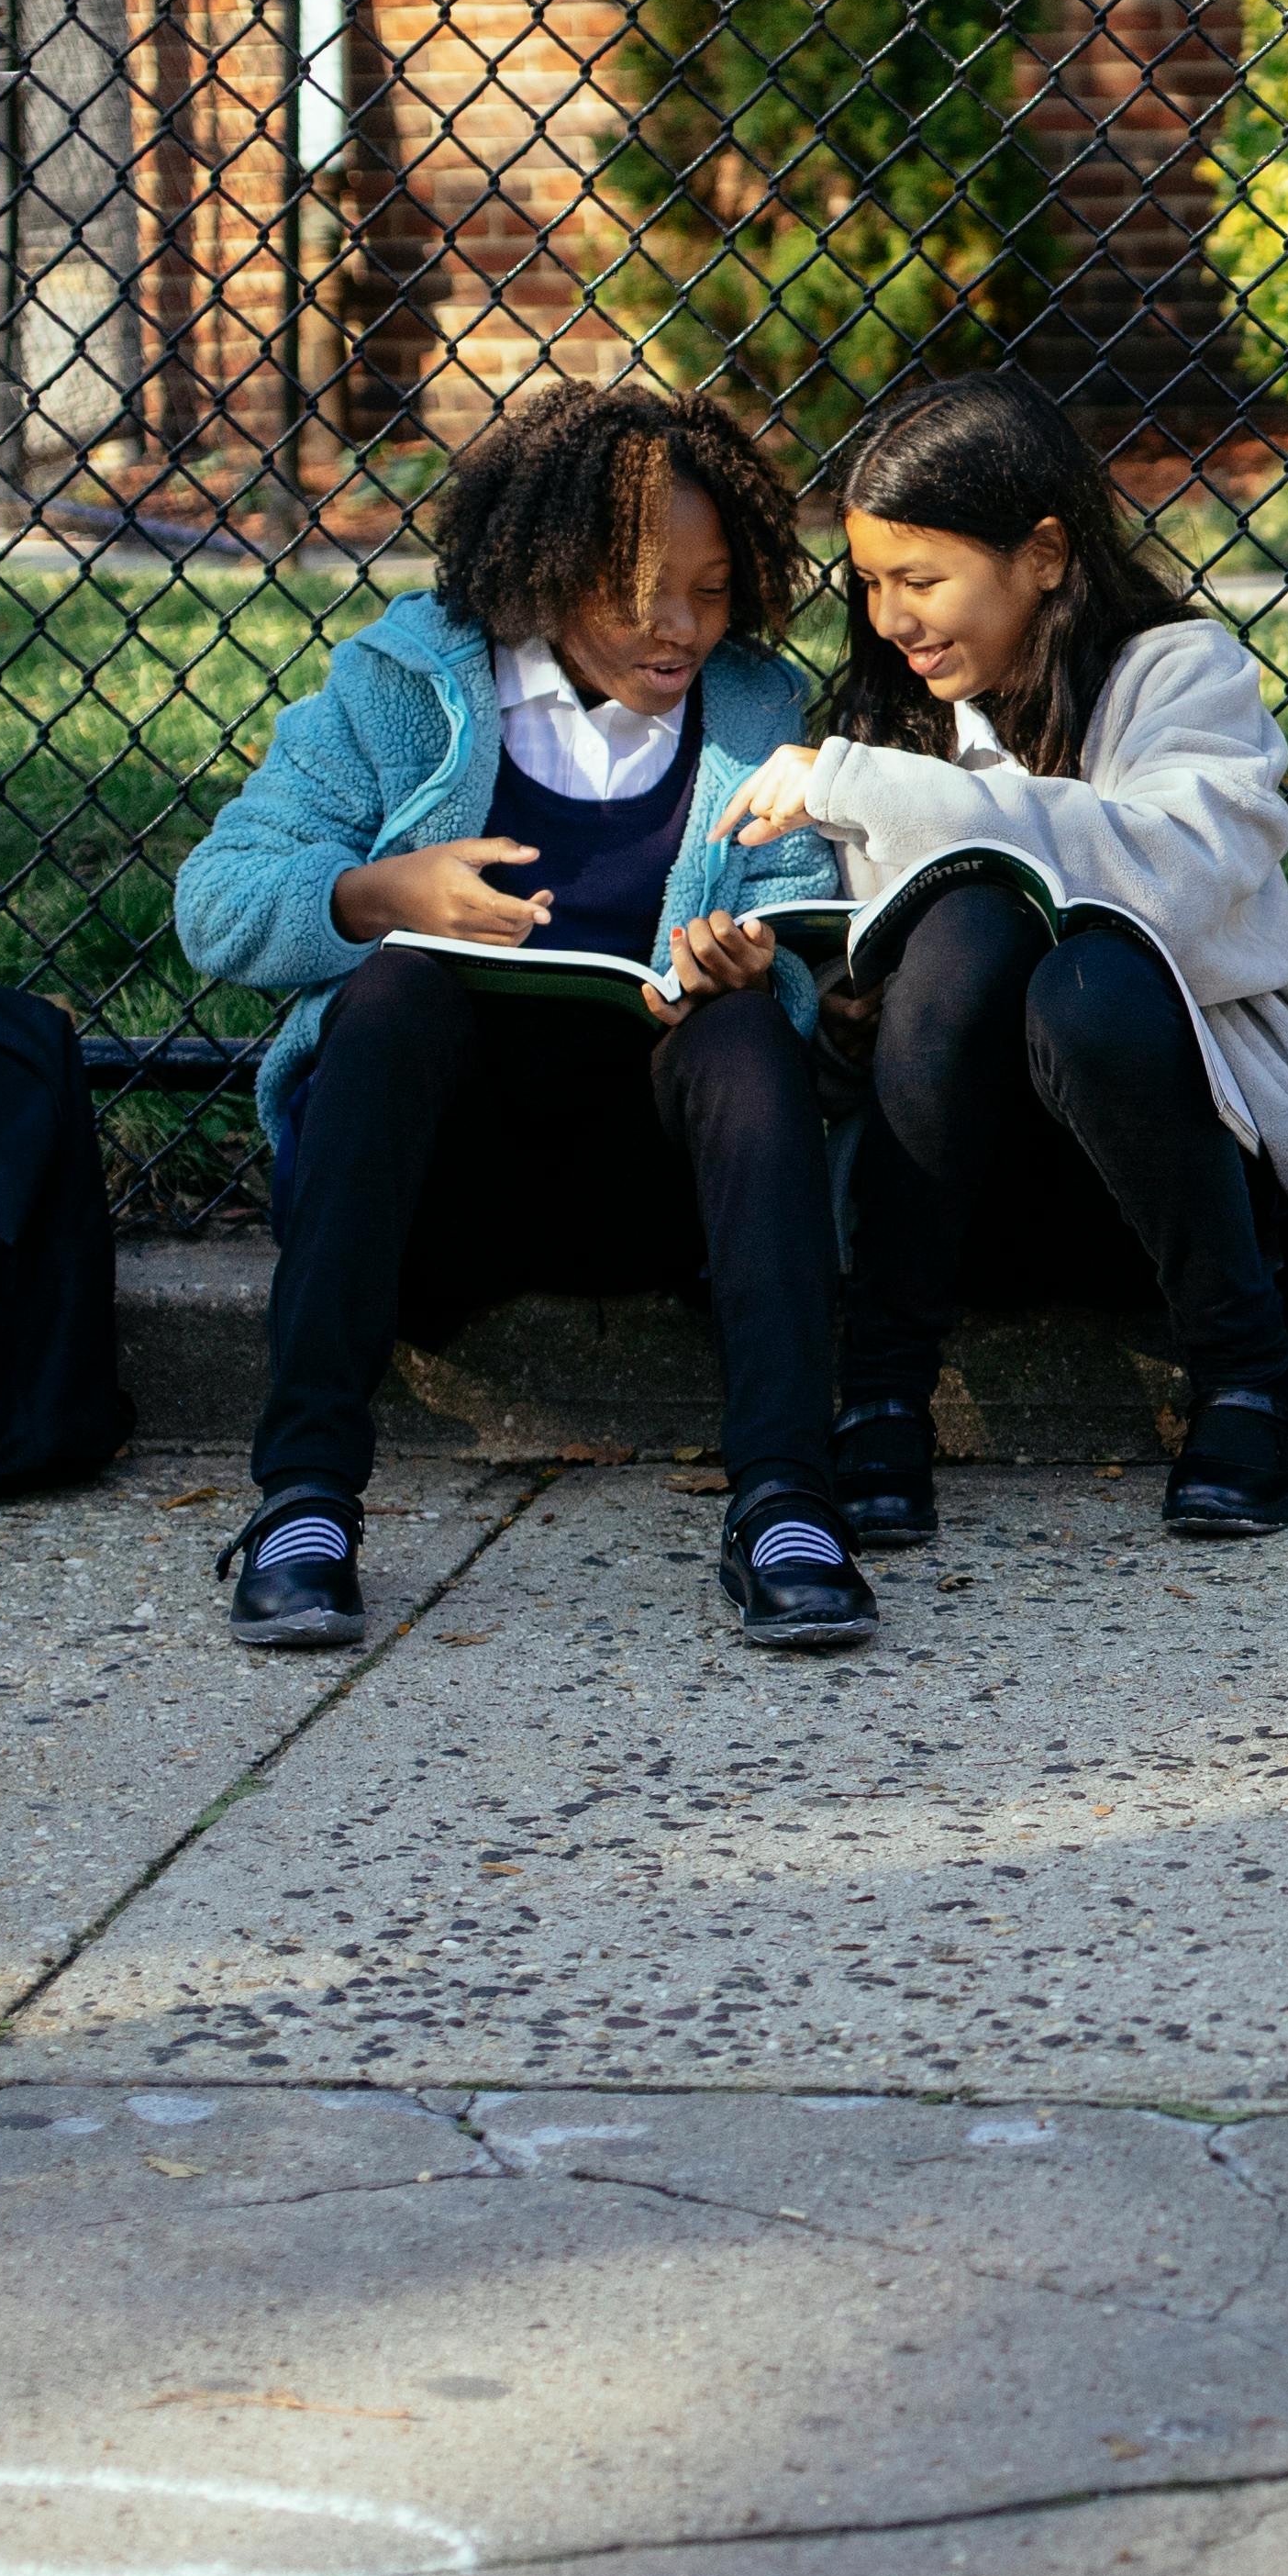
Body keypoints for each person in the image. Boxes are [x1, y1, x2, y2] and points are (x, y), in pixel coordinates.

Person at [172, 381, 873, 1651]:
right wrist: (376, 893)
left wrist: (746, 959)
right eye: (639, 591)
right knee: (390, 997)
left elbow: (794, 901)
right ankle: (303, 1505)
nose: (681, 630)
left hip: (653, 1196)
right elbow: (217, 903)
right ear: (541, 573)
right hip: (439, 1192)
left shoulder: (756, 708)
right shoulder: (403, 688)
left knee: (743, 1033)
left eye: (714, 591)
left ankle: (787, 1505)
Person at [718, 374, 1288, 1550]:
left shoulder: (1184, 676)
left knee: (1087, 976)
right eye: (870, 584)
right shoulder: (892, 714)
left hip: (1183, 1184)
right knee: (968, 927)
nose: (890, 621)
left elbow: (1176, 868)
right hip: (963, 1202)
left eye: (921, 582)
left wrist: (882, 793)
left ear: (1046, 554)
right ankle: (879, 1393)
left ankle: (1245, 1383)